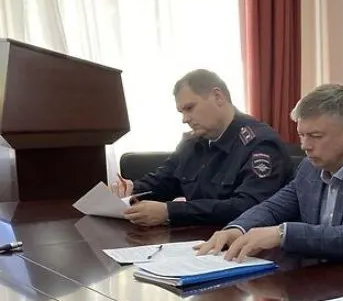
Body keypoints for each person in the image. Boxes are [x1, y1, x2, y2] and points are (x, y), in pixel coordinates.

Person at [196, 84, 343, 263]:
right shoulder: (309, 168)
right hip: (328, 281)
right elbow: (273, 208)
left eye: (315, 136)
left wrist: (283, 234)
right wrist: (237, 228)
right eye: (302, 135)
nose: (305, 146)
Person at [111, 69, 291, 227]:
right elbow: (164, 181)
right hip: (194, 240)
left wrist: (170, 212)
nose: (185, 119)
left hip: (241, 243)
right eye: (182, 112)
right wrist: (132, 189)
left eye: (190, 108)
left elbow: (249, 206)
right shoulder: (192, 142)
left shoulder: (260, 144)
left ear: (218, 97)